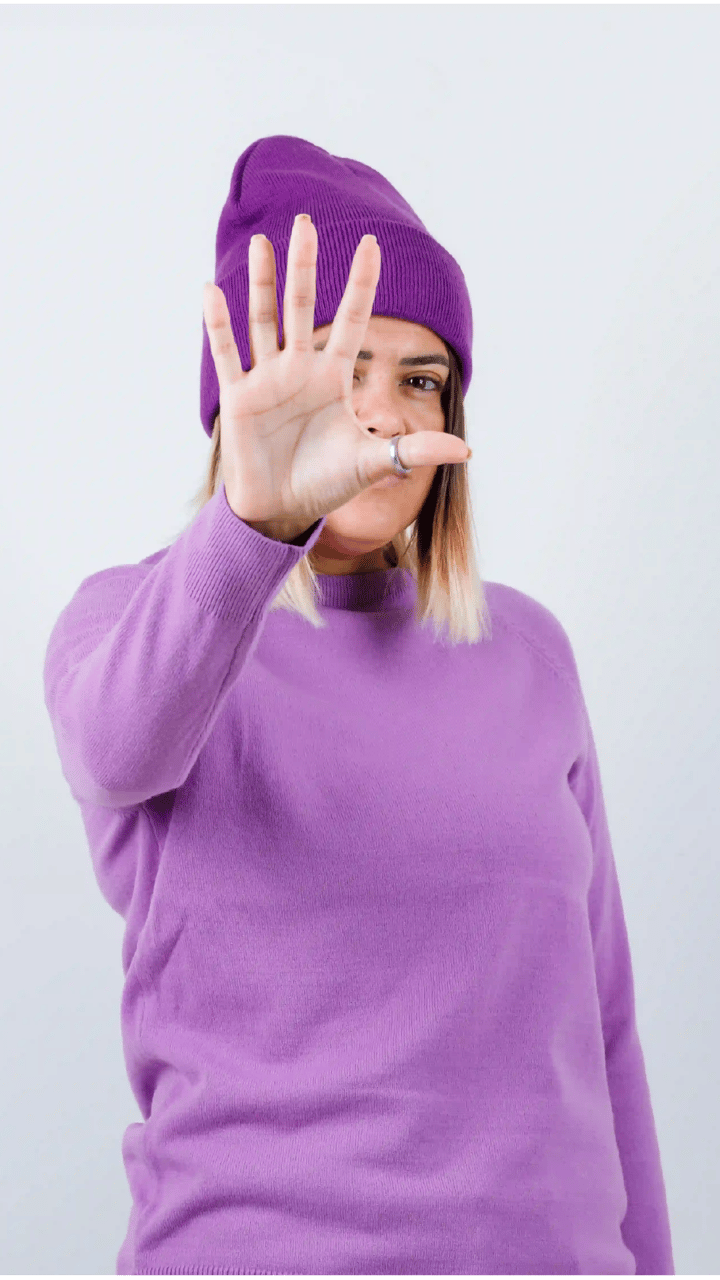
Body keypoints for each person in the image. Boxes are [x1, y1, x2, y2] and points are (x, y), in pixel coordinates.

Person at [42, 135, 674, 1278]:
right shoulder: (135, 628)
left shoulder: (530, 652)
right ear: (253, 394)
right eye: (345, 366)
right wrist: (256, 521)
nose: (383, 415)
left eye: (420, 377)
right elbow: (116, 743)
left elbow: (607, 1026)